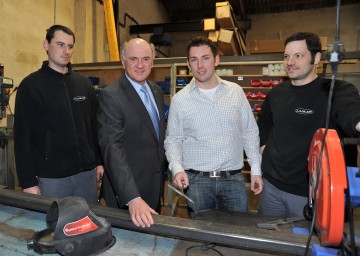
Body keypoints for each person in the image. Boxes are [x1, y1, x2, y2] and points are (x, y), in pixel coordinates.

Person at [258, 32, 360, 218]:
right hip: (271, 188)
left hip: (310, 194)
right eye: (286, 56)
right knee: (269, 242)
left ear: (317, 58)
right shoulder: (276, 93)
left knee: (303, 245)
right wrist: (264, 145)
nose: (290, 62)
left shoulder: (336, 91)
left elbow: (351, 110)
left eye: (298, 55)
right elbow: (264, 122)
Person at [164, 36, 263, 218]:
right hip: (197, 182)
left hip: (233, 180)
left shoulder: (235, 92)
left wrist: (256, 170)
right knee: (202, 238)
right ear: (188, 63)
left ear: (216, 60)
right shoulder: (180, 100)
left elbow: (249, 132)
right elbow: (173, 140)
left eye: (206, 58)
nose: (200, 65)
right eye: (194, 59)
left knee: (237, 233)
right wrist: (177, 168)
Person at [14, 25, 104, 204]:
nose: (66, 51)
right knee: (54, 228)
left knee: (89, 225)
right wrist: (28, 182)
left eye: (70, 46)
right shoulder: (30, 86)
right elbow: (22, 138)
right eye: (60, 44)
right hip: (52, 179)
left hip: (86, 175)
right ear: (46, 45)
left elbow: (93, 128)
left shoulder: (84, 85)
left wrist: (98, 162)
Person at [97, 38, 166, 228]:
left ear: (152, 62)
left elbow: (156, 139)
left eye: (146, 59)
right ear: (123, 61)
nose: (140, 65)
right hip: (126, 193)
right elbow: (112, 147)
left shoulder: (156, 91)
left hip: (153, 187)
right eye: (134, 59)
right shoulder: (111, 95)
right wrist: (132, 197)